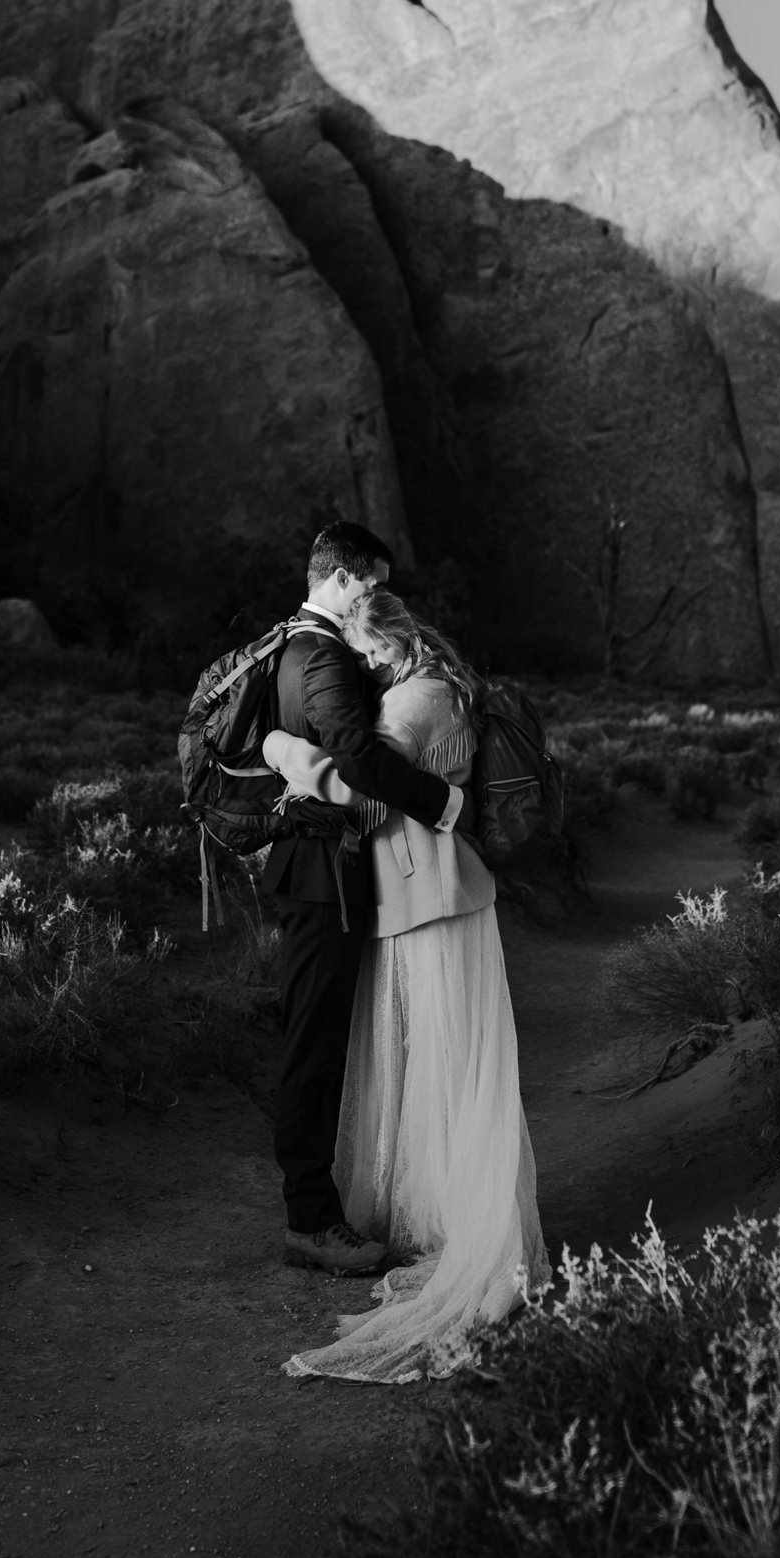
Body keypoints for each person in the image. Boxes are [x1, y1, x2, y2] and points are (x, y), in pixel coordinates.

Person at [263, 587, 549, 1382]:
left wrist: (282, 751)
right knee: (451, 1062)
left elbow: (361, 786)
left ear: (381, 650)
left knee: (443, 1061)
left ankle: (467, 1228)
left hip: (430, 902)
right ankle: (455, 1211)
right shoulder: (445, 686)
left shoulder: (414, 701)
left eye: (361, 660)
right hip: (448, 896)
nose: (357, 675)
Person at [263, 522, 466, 1279]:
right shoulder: (321, 654)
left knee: (317, 1042)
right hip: (320, 872)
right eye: (374, 585)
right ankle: (310, 1221)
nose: (381, 599)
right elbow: (356, 755)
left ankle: (321, 1207)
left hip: (316, 867)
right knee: (312, 1046)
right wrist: (445, 804)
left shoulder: (292, 644)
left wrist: (282, 754)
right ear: (344, 580)